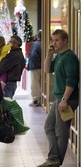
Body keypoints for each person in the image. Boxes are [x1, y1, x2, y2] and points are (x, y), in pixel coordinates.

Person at [38, 29, 79, 167]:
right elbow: (46, 69)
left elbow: (71, 81)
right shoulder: (59, 56)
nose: (53, 43)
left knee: (61, 131)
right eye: (52, 40)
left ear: (65, 41)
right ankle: (54, 158)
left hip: (66, 99)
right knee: (49, 126)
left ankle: (55, 161)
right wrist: (49, 54)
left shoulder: (69, 57)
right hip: (59, 98)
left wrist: (64, 100)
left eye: (57, 40)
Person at [28, 30, 42, 107]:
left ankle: (35, 100)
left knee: (35, 83)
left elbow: (33, 56)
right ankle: (40, 99)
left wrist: (31, 66)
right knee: (41, 83)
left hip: (35, 66)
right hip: (42, 66)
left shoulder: (35, 44)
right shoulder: (46, 43)